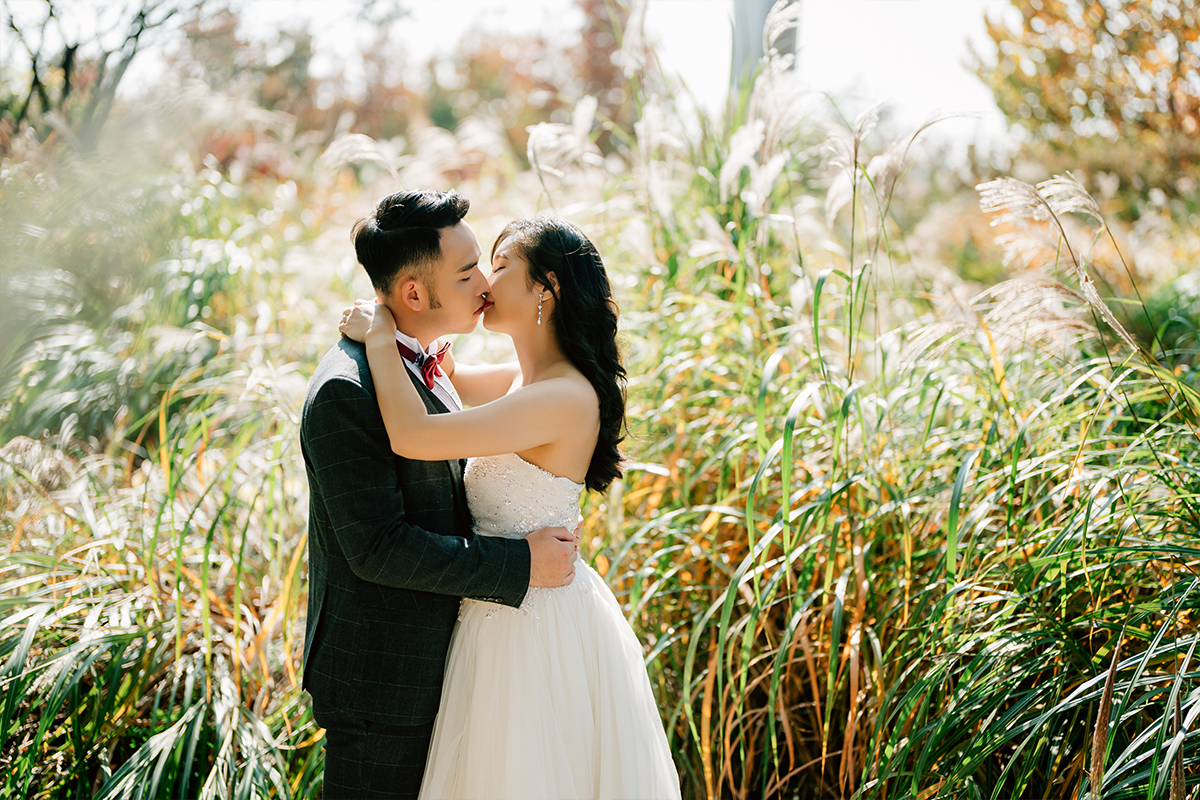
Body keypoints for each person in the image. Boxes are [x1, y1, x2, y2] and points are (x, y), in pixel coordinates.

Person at [339, 215, 681, 799]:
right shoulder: (523, 379)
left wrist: (378, 337)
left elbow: (414, 433)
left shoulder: (563, 397)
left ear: (545, 288)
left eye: (499, 267)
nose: (486, 283)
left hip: (533, 629)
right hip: (498, 612)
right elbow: (442, 375)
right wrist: (419, 332)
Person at [299, 189, 580, 800]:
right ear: (415, 295)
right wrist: (521, 562)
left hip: (453, 667)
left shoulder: (422, 364)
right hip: (385, 681)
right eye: (467, 270)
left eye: (488, 263)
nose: (484, 282)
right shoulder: (348, 391)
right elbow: (379, 548)